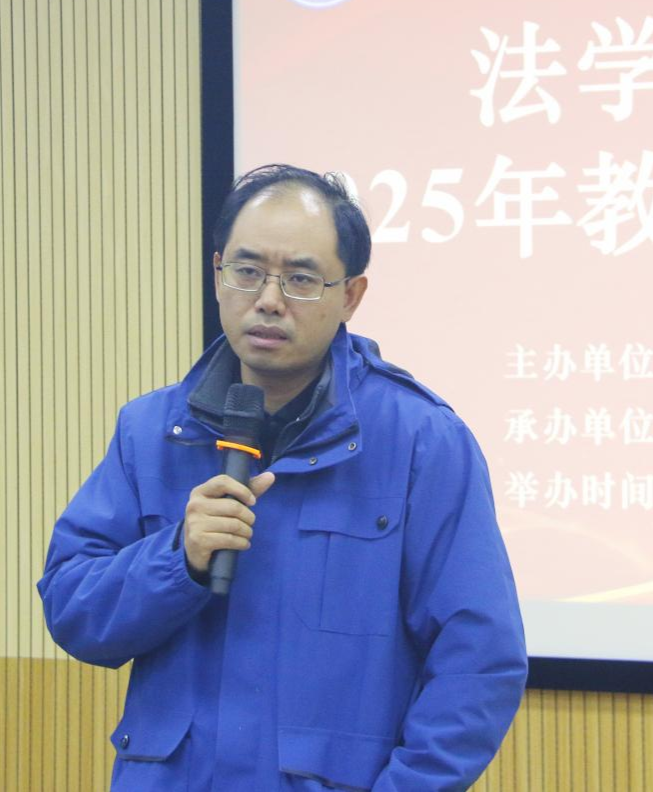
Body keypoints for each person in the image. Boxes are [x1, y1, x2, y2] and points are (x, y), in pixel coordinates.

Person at [38, 164, 527, 791]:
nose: (268, 299)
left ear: (350, 296)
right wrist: (177, 558)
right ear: (218, 273)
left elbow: (479, 662)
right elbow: (73, 608)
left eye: (300, 279)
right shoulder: (152, 431)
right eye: (247, 271)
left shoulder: (421, 441)